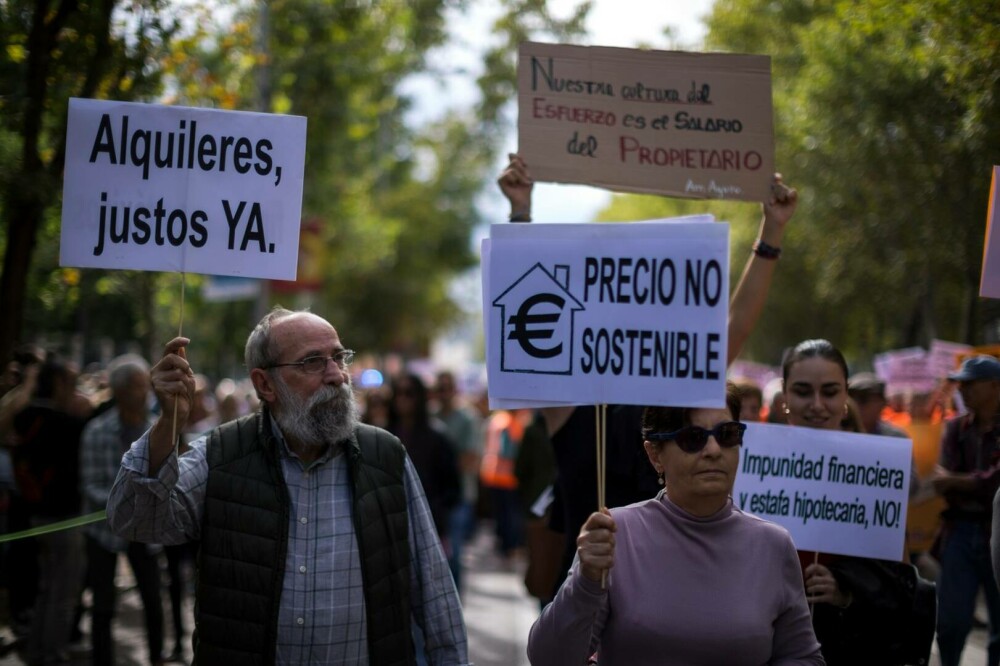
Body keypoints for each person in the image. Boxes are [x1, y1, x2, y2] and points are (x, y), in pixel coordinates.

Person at [498, 153, 800, 596]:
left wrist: (772, 230)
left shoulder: (683, 392)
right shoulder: (570, 404)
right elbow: (528, 305)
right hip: (585, 593)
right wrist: (520, 212)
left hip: (670, 594)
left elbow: (736, 322)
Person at [107, 308, 469, 664]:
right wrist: (167, 424)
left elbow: (434, 589)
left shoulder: (386, 457)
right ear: (265, 384)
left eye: (338, 358)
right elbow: (135, 521)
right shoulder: (221, 455)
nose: (336, 376)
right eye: (312, 362)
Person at [526, 383, 824, 665]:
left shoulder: (774, 544)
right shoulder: (615, 533)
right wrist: (586, 583)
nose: (713, 450)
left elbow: (803, 656)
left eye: (727, 434)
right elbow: (548, 658)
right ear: (655, 454)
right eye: (693, 438)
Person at [782, 339, 935, 665]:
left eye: (830, 391)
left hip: (848, 649)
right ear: (785, 396)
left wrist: (847, 590)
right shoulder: (750, 462)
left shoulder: (876, 470)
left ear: (845, 395)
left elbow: (900, 585)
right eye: (803, 391)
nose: (817, 404)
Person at [80, 354, 166, 666]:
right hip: (103, 532)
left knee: (153, 601)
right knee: (102, 605)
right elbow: (91, 486)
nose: (144, 394)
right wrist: (129, 505)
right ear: (117, 391)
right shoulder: (96, 431)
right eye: (136, 387)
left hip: (144, 530)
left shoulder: (155, 432)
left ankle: (157, 657)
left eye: (146, 386)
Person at [10, 352, 90, 666]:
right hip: (64, 519)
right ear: (58, 383)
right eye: (72, 381)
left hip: (35, 515)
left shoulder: (25, 415)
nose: (76, 388)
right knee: (63, 592)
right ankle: (53, 655)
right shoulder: (65, 423)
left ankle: (37, 651)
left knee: (47, 588)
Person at [933, 354, 1000, 666]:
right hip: (960, 530)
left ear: (994, 387)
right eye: (960, 384)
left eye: (970, 384)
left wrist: (958, 482)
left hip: (995, 531)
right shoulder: (956, 429)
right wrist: (973, 483)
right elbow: (942, 479)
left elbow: (993, 482)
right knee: (951, 619)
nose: (962, 390)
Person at [433, 370, 482, 590]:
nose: (443, 393)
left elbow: (471, 458)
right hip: (433, 495)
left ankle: (454, 600)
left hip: (459, 495)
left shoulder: (467, 418)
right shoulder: (431, 416)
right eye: (439, 388)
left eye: (447, 388)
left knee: (453, 552)